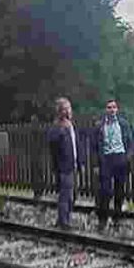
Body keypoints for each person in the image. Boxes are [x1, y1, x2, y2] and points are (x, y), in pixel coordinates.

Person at [93, 98, 134, 230]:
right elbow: (95, 147)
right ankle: (103, 219)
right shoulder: (100, 126)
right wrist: (96, 164)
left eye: (114, 107)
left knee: (119, 190)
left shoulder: (123, 124)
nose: (112, 110)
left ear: (117, 109)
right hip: (106, 159)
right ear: (105, 110)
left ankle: (117, 218)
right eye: (109, 107)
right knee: (105, 191)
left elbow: (131, 142)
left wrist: (127, 157)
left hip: (120, 158)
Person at [46, 97, 83, 230]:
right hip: (64, 167)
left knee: (72, 195)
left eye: (69, 108)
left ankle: (62, 218)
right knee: (66, 195)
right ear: (60, 111)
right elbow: (53, 149)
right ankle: (64, 222)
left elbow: (75, 145)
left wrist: (79, 162)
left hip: (73, 165)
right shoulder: (57, 128)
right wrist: (57, 168)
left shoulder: (71, 125)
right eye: (65, 109)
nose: (68, 111)